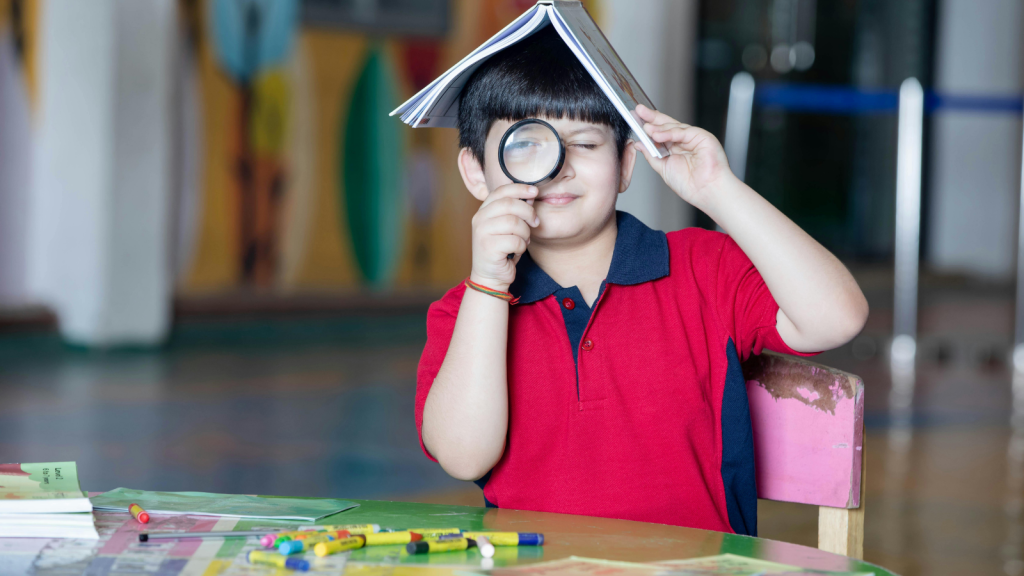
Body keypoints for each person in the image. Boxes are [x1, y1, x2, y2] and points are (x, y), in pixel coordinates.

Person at [415, 26, 868, 536]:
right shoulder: (467, 311)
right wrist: (488, 285)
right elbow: (463, 457)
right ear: (477, 172)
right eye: (527, 146)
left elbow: (837, 317)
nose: (558, 168)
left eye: (586, 143)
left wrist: (718, 190)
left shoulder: (704, 269)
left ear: (626, 164)